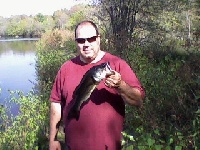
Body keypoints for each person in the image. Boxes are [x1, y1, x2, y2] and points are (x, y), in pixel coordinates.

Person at [49, 20, 145, 150]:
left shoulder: (117, 64)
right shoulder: (66, 68)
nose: (86, 44)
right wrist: (53, 139)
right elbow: (56, 103)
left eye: (91, 39)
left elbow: (138, 100)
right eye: (81, 40)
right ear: (76, 42)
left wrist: (120, 85)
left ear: (98, 39)